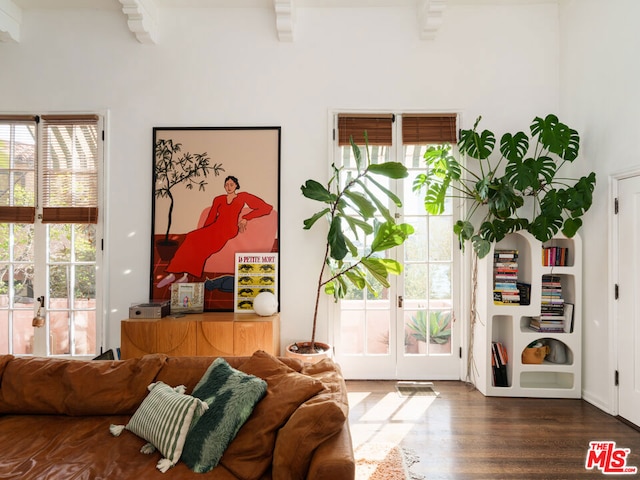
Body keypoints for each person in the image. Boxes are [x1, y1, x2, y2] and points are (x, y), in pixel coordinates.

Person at [157, 175, 273, 288]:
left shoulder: (243, 196)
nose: (228, 187)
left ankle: (185, 275)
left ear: (236, 185)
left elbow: (266, 208)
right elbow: (211, 216)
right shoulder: (219, 199)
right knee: (192, 237)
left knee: (204, 247)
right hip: (215, 227)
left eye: (231, 184)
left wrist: (246, 217)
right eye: (226, 184)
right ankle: (172, 273)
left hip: (229, 230)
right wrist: (203, 231)